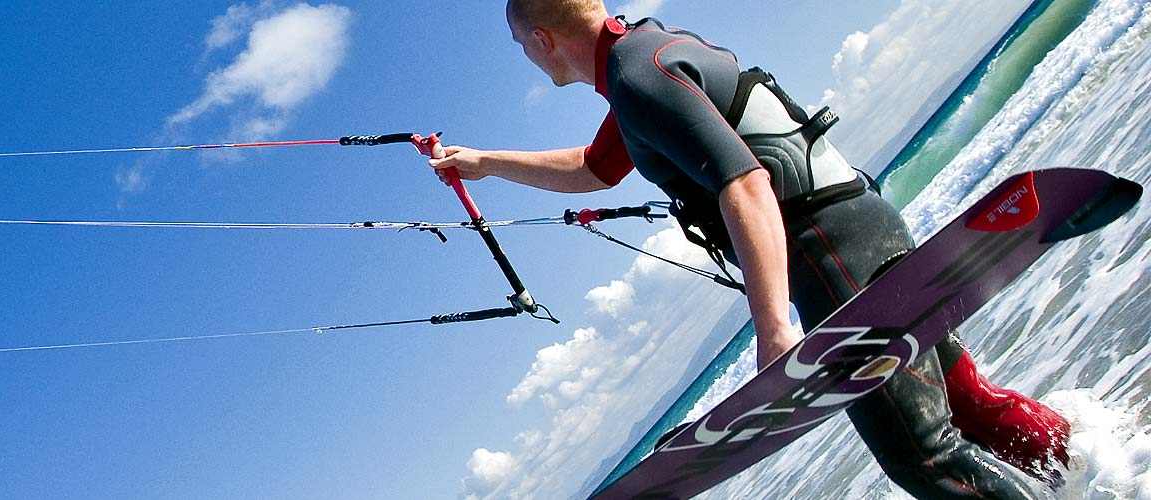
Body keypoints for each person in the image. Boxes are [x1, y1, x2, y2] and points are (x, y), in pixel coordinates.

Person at [431, 1, 1073, 498]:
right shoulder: (650, 56)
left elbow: (745, 182)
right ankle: (1097, 463)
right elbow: (595, 170)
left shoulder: (637, 79)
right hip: (862, 225)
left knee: (925, 454)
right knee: (965, 400)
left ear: (542, 39)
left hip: (829, 254)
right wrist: (483, 162)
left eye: (522, 45)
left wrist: (773, 334)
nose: (528, 57)